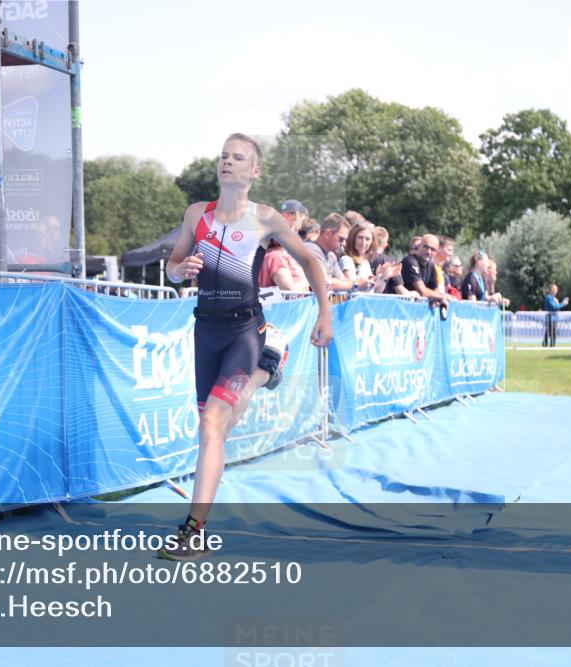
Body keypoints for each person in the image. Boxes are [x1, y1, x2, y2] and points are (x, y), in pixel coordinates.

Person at [160, 133, 333, 560]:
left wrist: (325, 313)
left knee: (211, 425)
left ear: (254, 171)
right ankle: (264, 370)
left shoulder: (265, 218)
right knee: (217, 428)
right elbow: (172, 267)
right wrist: (181, 269)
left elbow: (310, 260)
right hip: (206, 331)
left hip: (243, 331)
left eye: (237, 158)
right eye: (223, 156)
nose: (227, 162)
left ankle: (193, 530)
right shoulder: (197, 214)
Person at [305, 213, 367, 292]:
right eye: (341, 239)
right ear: (327, 234)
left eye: (345, 240)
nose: (344, 244)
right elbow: (325, 283)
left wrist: (356, 284)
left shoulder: (331, 256)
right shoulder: (311, 249)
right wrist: (356, 284)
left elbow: (344, 282)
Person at [401, 234, 449, 306]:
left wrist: (437, 298)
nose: (429, 252)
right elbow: (423, 291)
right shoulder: (410, 261)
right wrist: (441, 297)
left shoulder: (431, 265)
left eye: (433, 249)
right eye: (426, 247)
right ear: (419, 247)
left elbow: (436, 290)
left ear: (437, 252)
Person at [371, 226, 406, 296]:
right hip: (384, 301)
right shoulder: (390, 261)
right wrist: (415, 294)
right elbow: (401, 291)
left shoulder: (363, 259)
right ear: (385, 245)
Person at [542, 283, 569, 347]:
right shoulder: (549, 297)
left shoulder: (554, 298)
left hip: (554, 318)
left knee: (550, 332)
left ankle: (548, 345)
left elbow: (556, 307)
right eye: (555, 289)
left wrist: (560, 304)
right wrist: (563, 304)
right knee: (551, 332)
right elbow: (554, 307)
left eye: (556, 289)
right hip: (551, 318)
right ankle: (549, 345)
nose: (556, 290)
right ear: (551, 290)